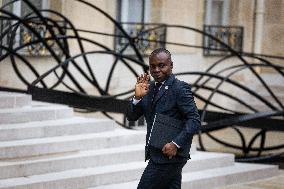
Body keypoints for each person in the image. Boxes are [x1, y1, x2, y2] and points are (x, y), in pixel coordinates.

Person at [126, 48, 201, 189]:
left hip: (170, 156)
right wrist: (137, 97)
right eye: (152, 66)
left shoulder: (180, 88)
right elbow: (132, 117)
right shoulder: (149, 88)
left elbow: (194, 120)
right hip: (157, 154)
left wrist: (175, 144)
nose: (156, 70)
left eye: (161, 65)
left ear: (171, 65)